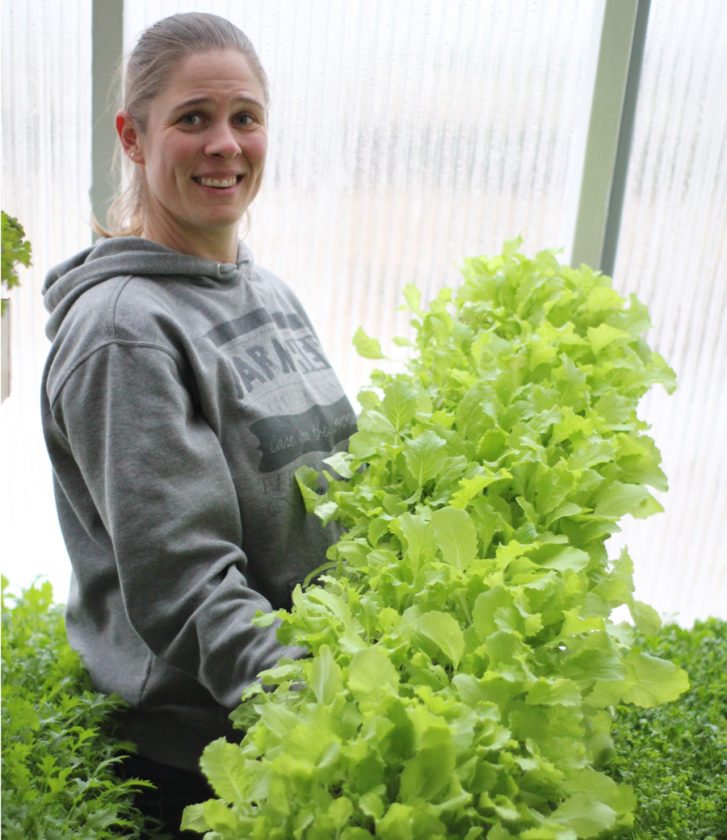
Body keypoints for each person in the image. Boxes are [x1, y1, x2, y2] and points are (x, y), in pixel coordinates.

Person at [40, 12, 357, 836]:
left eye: (245, 118)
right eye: (193, 118)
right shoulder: (124, 331)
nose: (225, 144)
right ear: (134, 138)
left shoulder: (267, 292)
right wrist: (326, 709)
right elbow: (185, 581)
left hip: (297, 722)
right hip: (204, 761)